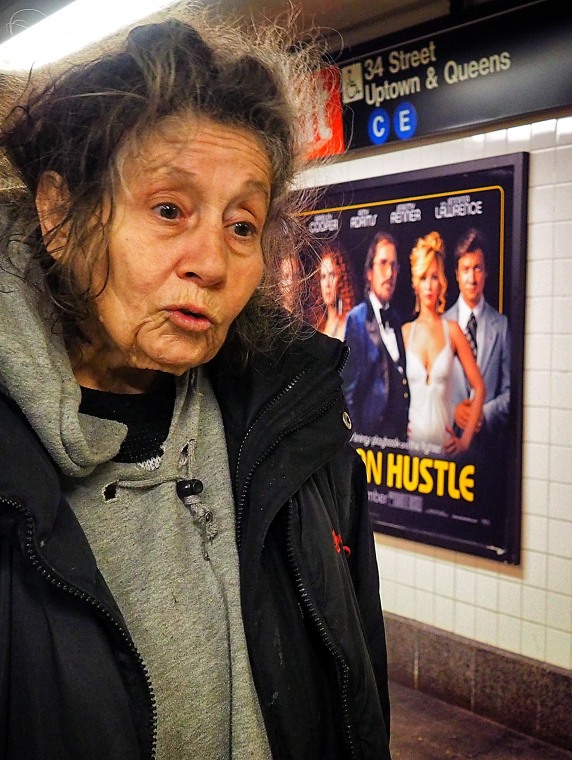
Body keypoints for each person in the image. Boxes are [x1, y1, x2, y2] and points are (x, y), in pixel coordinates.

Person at [0, 13, 391, 760]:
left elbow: (356, 699)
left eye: (242, 225)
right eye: (170, 209)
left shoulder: (301, 434)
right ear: (60, 213)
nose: (211, 262)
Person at [401, 232, 484, 455]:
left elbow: (479, 387)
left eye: (434, 277)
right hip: (411, 450)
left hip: (446, 452)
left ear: (442, 282)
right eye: (423, 277)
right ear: (415, 283)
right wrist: (399, 426)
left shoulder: (453, 331)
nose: (429, 286)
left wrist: (464, 441)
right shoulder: (405, 333)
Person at [444, 228, 511, 450]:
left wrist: (483, 412)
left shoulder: (501, 325)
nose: (471, 278)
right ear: (456, 274)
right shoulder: (441, 324)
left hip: (490, 449)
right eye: (465, 269)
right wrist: (453, 410)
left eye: (477, 268)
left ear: (486, 272)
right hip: (448, 444)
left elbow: (511, 391)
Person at [342, 231, 409, 441]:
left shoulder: (397, 319)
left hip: (398, 446)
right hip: (369, 447)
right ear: (370, 272)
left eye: (394, 265)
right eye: (382, 264)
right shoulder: (356, 319)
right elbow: (348, 394)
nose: (389, 273)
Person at [316, 243, 355, 340]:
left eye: (332, 275)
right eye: (323, 277)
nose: (327, 284)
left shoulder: (349, 324)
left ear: (341, 279)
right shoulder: (318, 327)